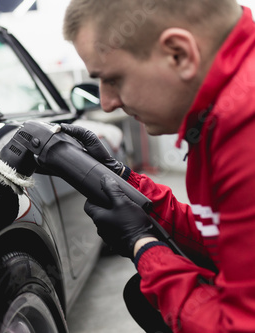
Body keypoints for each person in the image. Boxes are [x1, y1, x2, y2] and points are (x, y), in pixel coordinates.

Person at [60, 0, 255, 332]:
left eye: (113, 79)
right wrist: (124, 179)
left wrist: (143, 246)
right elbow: (222, 241)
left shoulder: (244, 131)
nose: (107, 104)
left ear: (178, 54)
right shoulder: (224, 110)